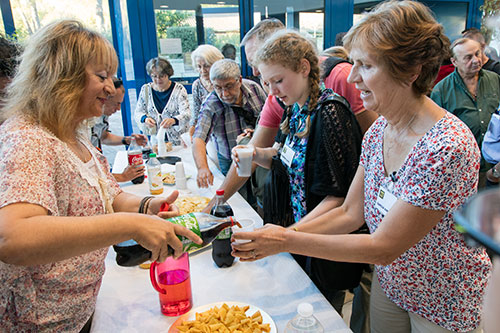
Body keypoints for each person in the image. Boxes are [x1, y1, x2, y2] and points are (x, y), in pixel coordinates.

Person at [232, 1, 491, 332]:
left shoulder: (446, 146)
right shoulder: (380, 131)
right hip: (392, 282)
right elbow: (351, 213)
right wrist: (281, 234)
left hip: (442, 298)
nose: (352, 77)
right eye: (353, 63)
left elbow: (383, 246)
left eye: (366, 65)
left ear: (410, 71)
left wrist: (285, 242)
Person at [0, 20, 201, 332]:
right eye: (102, 76)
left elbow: (111, 197)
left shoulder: (71, 137)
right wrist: (129, 224)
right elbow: (13, 238)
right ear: (62, 74)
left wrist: (147, 207)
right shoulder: (29, 138)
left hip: (76, 314)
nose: (110, 87)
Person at [232, 29, 364, 315]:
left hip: (320, 243)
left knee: (320, 314)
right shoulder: (295, 109)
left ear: (304, 68)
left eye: (278, 80)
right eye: (267, 83)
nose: (273, 92)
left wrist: (288, 236)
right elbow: (286, 161)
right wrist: (256, 154)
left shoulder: (330, 113)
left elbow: (338, 198)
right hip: (298, 237)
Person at [431, 38, 500, 188]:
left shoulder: (495, 80)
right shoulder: (441, 90)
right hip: (464, 169)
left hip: (495, 166)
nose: (476, 60)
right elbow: (435, 135)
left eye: (477, 54)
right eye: (468, 57)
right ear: (454, 61)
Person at [192, 58, 266, 187]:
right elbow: (198, 138)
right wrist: (202, 168)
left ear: (239, 81)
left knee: (261, 193)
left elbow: (268, 118)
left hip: (259, 154)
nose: (224, 94)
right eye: (218, 88)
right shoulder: (211, 104)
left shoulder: (254, 88)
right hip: (230, 159)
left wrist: (256, 131)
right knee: (236, 197)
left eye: (229, 86)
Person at [90, 77, 147, 182]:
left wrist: (128, 140)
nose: (119, 109)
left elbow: (103, 137)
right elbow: (88, 174)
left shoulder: (103, 114)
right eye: (116, 103)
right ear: (103, 99)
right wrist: (122, 177)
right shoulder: (82, 124)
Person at [134, 57, 190, 145]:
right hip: (156, 142)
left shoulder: (179, 89)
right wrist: (145, 119)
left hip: (179, 141)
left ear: (168, 74)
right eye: (154, 76)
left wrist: (174, 120)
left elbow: (187, 114)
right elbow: (138, 112)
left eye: (161, 76)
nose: (158, 80)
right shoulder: (146, 89)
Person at [189, 45, 224, 139]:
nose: (202, 70)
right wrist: (191, 133)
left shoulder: (224, 81)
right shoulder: (197, 85)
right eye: (199, 66)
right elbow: (196, 114)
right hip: (209, 134)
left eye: (206, 66)